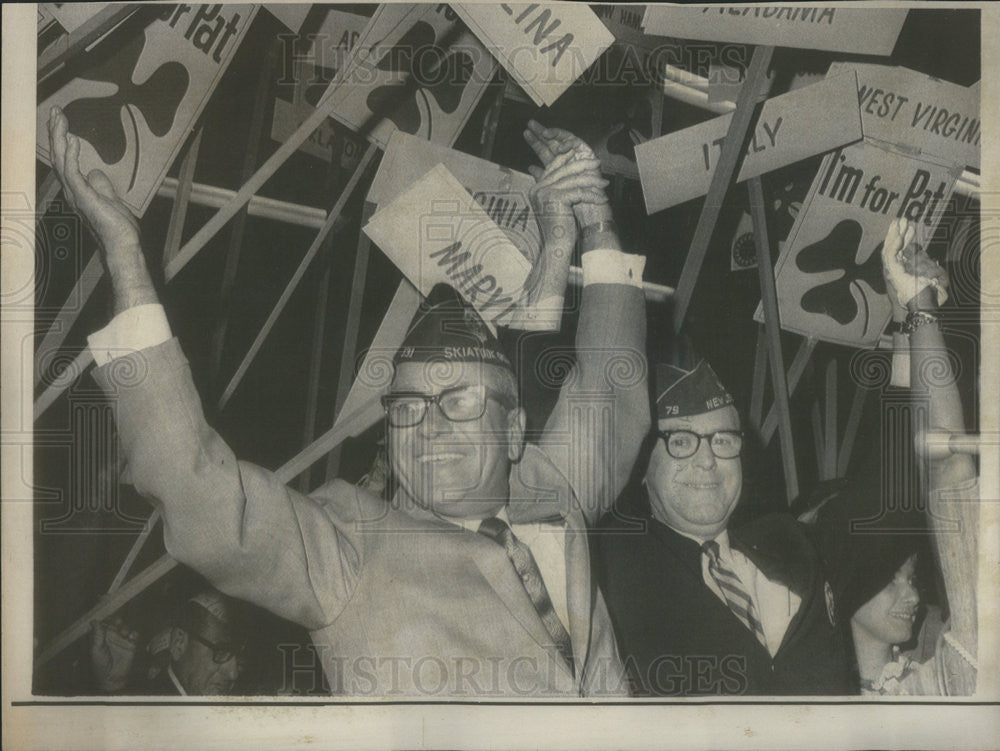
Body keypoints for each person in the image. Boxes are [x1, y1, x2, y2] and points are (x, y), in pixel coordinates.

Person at [48, 108, 649, 697]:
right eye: (408, 407)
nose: (430, 427)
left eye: (458, 401)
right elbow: (195, 487)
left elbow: (614, 387)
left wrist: (596, 227)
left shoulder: (554, 491)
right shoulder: (349, 548)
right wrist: (125, 258)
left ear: (514, 430)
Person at [594, 356, 853, 695]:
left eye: (723, 440)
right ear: (641, 467)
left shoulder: (790, 546)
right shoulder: (613, 568)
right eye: (682, 441)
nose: (707, 460)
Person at [818, 217, 979, 695]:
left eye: (907, 576)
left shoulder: (941, 660)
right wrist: (917, 311)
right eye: (892, 579)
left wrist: (909, 316)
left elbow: (906, 459)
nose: (913, 594)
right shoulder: (951, 674)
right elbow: (941, 467)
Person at [90, 590, 245, 696]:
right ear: (179, 643)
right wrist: (112, 685)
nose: (233, 674)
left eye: (240, 659)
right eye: (222, 652)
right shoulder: (143, 709)